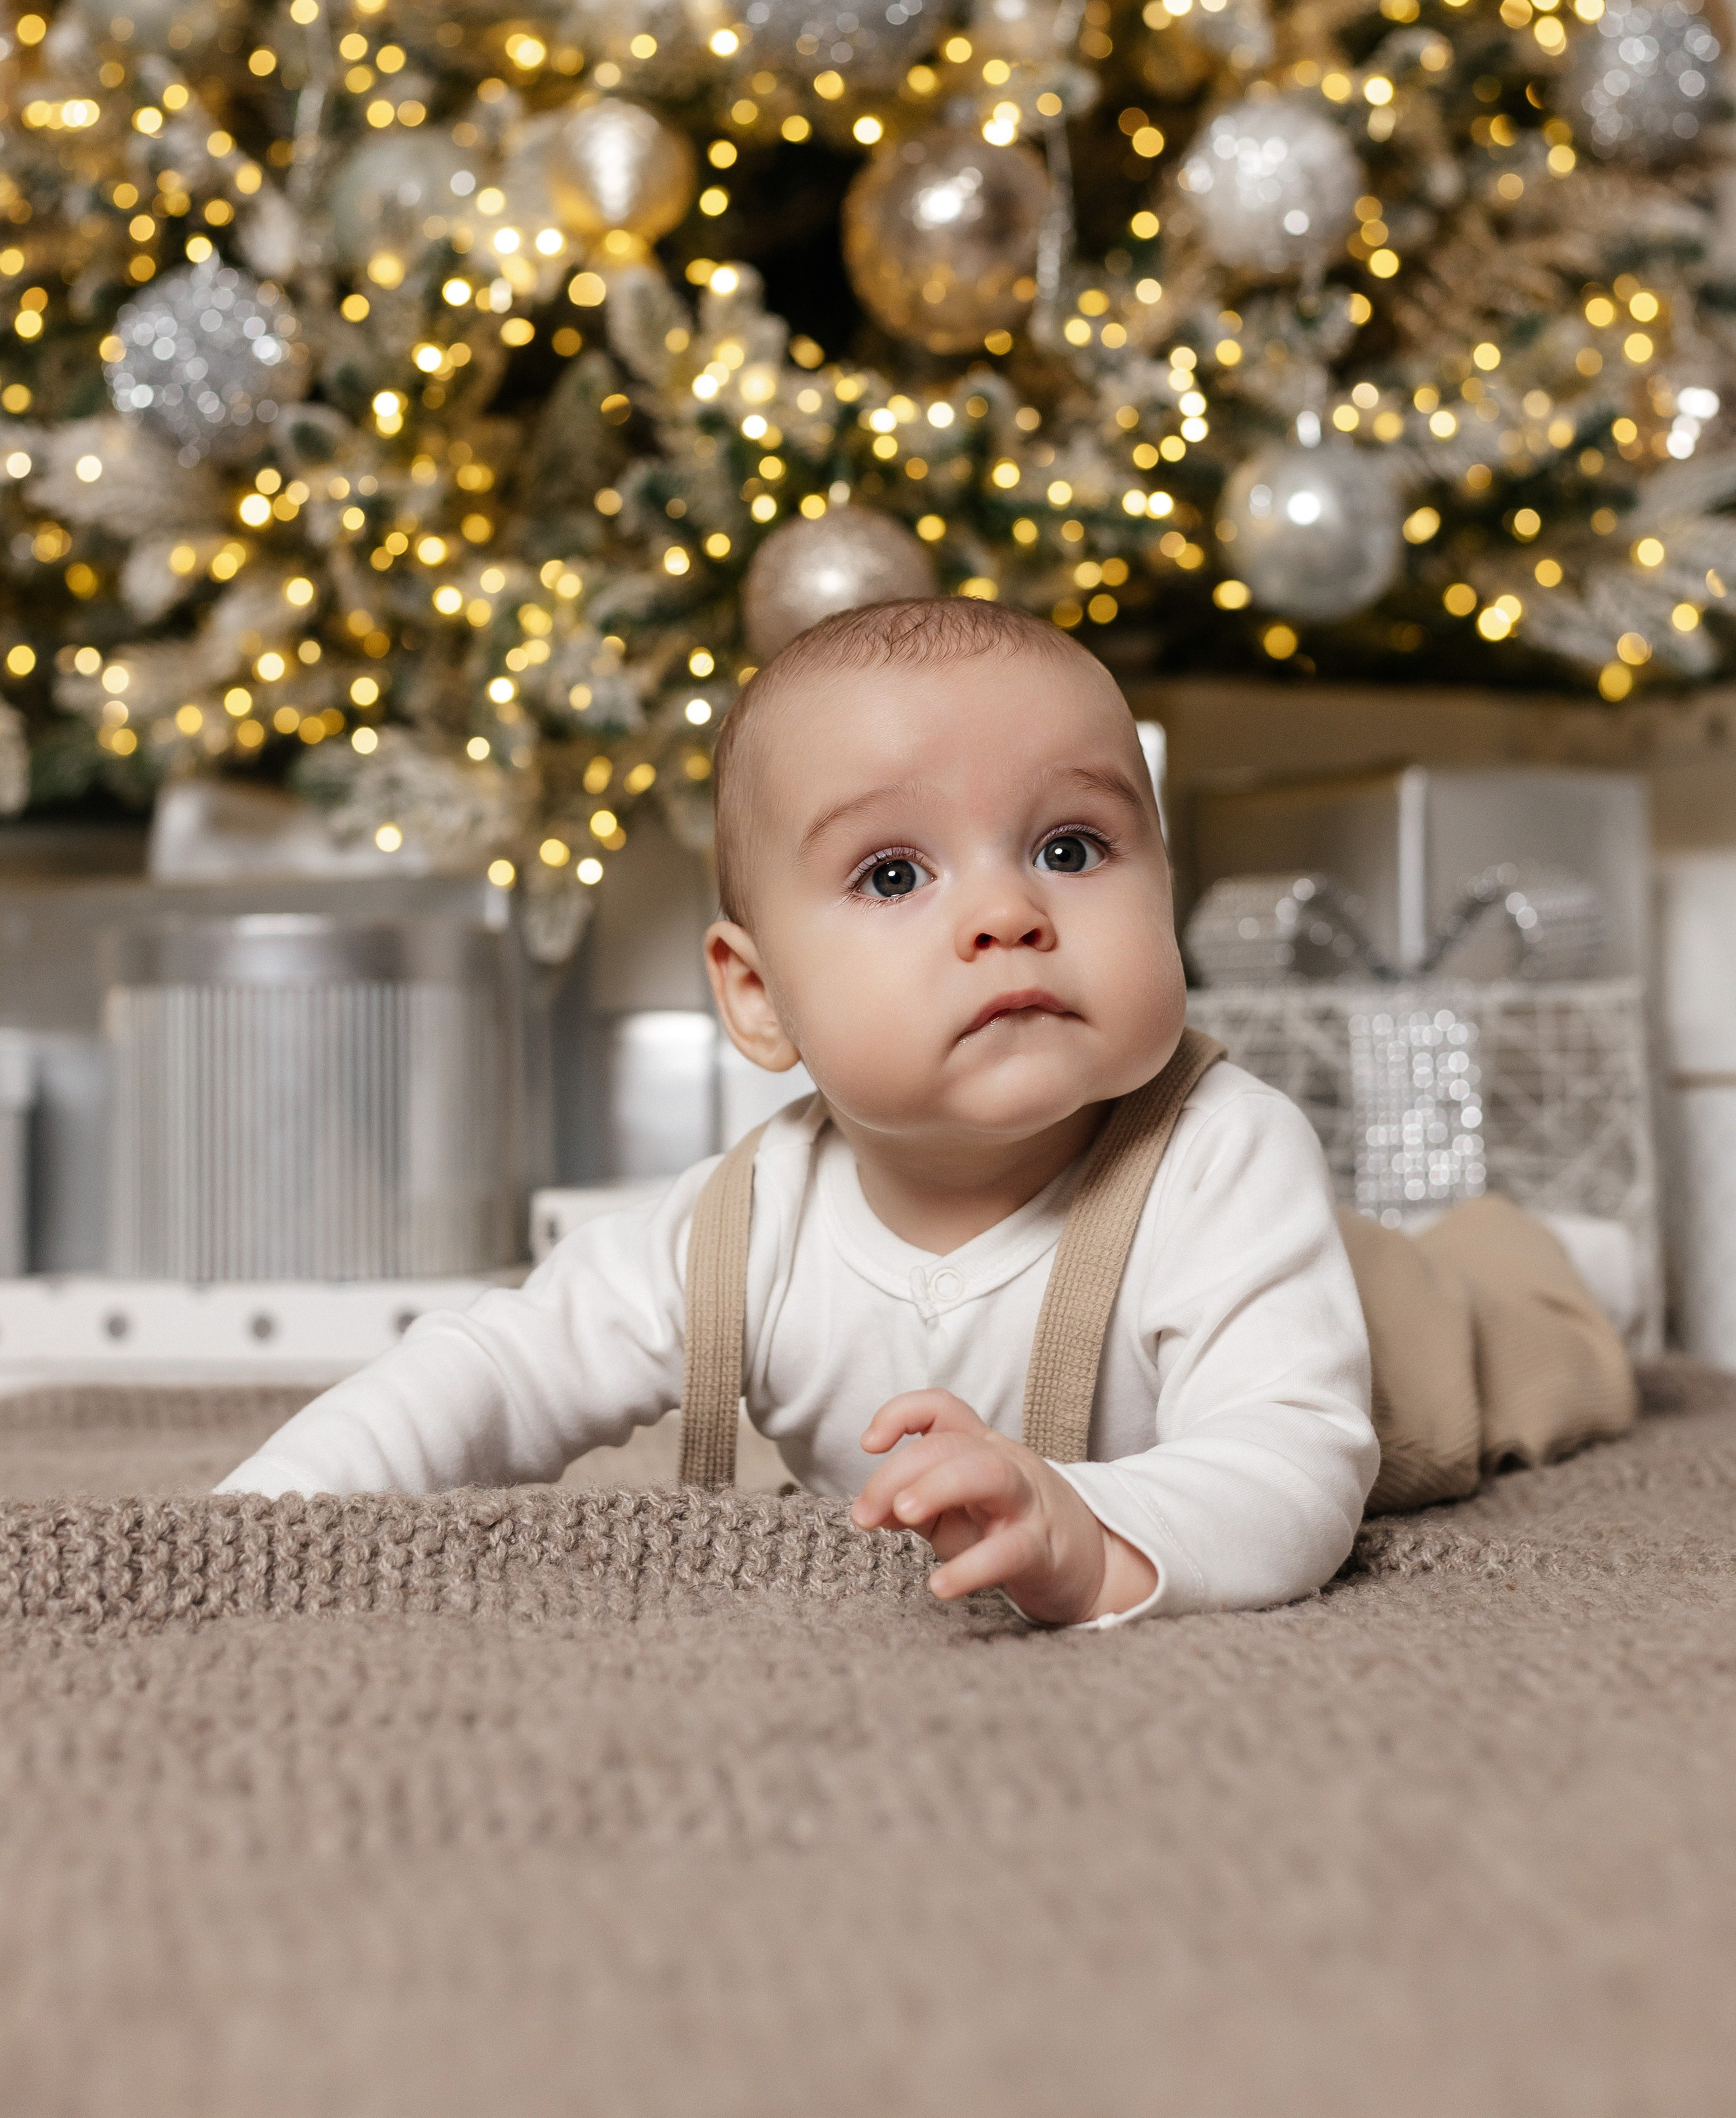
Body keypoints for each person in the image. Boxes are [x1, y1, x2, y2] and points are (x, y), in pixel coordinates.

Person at [217, 597, 1379, 1627]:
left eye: (1071, 848)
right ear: (759, 997)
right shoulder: (750, 1223)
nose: (1007, 912)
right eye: (893, 874)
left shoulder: (1221, 1155)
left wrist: (1085, 1529)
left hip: (1403, 1343)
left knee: (1473, 1318)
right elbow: (501, 1369)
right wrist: (265, 1517)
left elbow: (1292, 1465)